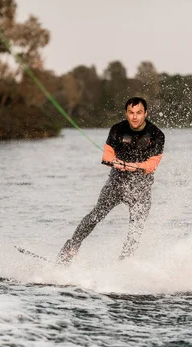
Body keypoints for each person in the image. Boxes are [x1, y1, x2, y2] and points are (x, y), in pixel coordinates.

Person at [57, 97, 165, 264]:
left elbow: (151, 165)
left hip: (141, 187)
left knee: (136, 227)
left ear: (146, 113)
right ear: (126, 113)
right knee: (95, 215)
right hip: (116, 183)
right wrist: (115, 162)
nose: (135, 117)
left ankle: (124, 263)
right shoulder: (117, 129)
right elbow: (107, 155)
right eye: (131, 113)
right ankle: (70, 249)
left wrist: (129, 165)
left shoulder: (157, 135)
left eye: (139, 113)